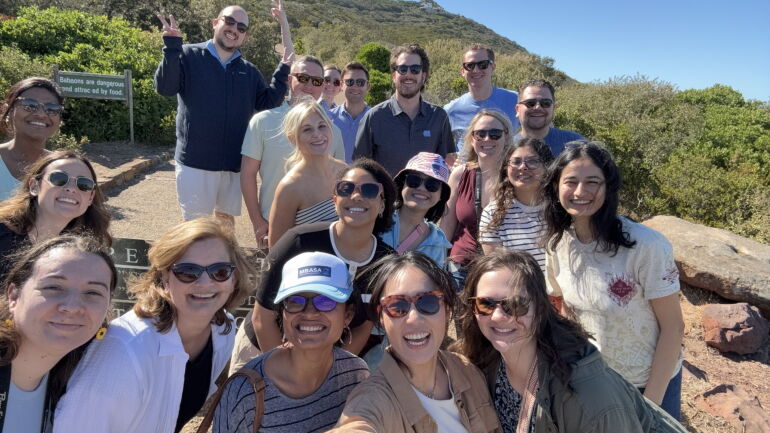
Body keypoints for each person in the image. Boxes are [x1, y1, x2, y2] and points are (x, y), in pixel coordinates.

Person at [53, 218, 253, 433]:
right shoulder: (123, 352)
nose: (205, 283)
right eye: (188, 272)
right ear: (163, 278)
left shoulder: (222, 332)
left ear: (234, 278)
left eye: (220, 271)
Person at [454, 251, 688, 433]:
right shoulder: (485, 362)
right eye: (485, 304)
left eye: (515, 305)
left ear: (540, 308)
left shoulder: (588, 396)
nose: (497, 316)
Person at [543, 141, 684, 419]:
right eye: (570, 181)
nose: (581, 192)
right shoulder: (556, 245)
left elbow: (673, 328)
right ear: (556, 187)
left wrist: (651, 408)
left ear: (608, 188)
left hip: (649, 383)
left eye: (593, 182)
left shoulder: (645, 246)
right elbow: (567, 311)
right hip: (595, 380)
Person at [232, 159, 396, 371]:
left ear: (382, 203)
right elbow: (262, 317)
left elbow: (364, 325)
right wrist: (287, 371)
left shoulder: (387, 263)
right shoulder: (299, 241)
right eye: (346, 188)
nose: (356, 196)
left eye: (369, 190)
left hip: (323, 367)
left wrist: (325, 374)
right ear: (334, 199)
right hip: (262, 349)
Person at [330, 252, 501, 433]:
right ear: (381, 318)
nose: (413, 318)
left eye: (428, 302)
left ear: (448, 310)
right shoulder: (372, 400)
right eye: (397, 306)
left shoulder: (467, 370)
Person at [154, 2, 294, 224]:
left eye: (241, 27)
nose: (234, 29)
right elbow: (165, 88)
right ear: (215, 23)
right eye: (229, 21)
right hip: (194, 164)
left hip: (232, 167)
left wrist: (282, 71)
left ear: (244, 36)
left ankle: (223, 260)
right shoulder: (188, 54)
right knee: (195, 229)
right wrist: (172, 47)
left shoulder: (248, 71)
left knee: (226, 226)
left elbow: (268, 103)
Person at [213, 252, 369, 433]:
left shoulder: (355, 375)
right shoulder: (243, 392)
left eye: (326, 301)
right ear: (281, 313)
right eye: (295, 301)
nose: (310, 313)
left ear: (347, 316)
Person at [0, 235, 116, 433]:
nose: (71, 307)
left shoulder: (75, 385)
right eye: (53, 287)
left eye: (93, 293)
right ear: (14, 295)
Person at [240, 55, 346, 247]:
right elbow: (247, 175)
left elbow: (339, 182)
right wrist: (258, 222)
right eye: (303, 78)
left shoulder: (332, 132)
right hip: (272, 228)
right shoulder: (262, 121)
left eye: (317, 81)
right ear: (290, 79)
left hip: (322, 233)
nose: (309, 86)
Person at [0, 150, 111, 280]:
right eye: (59, 178)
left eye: (83, 184)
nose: (72, 188)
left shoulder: (83, 253)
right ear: (34, 186)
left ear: (90, 197)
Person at [353, 44, 455, 176]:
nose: (408, 74)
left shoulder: (439, 117)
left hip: (425, 195)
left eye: (415, 69)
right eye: (402, 69)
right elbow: (360, 169)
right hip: (386, 196)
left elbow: (445, 166)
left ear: (423, 76)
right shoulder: (374, 117)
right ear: (394, 75)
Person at [440, 109, 512, 290]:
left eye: (495, 134)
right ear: (472, 139)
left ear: (506, 137)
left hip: (504, 270)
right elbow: (446, 226)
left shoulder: (515, 177)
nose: (487, 139)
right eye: (480, 134)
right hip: (460, 268)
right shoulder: (460, 174)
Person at [267, 101, 347, 247]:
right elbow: (276, 249)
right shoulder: (290, 187)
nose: (317, 134)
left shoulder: (345, 171)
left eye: (322, 126)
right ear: (292, 139)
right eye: (307, 130)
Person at [479, 138, 554, 271]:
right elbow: (498, 269)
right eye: (516, 162)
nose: (523, 167)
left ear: (547, 166)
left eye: (532, 161)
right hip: (518, 290)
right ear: (506, 169)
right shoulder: (492, 214)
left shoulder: (561, 208)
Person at [444, 44, 519, 158]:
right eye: (470, 65)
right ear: (462, 71)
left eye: (482, 65)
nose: (476, 70)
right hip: (467, 174)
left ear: (492, 67)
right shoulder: (451, 110)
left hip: (505, 173)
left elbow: (536, 131)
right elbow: (443, 148)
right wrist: (453, 165)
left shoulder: (516, 100)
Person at [380, 152, 451, 267]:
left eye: (432, 184)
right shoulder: (376, 219)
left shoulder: (437, 241)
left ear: (441, 195)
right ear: (402, 185)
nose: (421, 188)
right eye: (414, 180)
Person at [0, 77, 64, 201]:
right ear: (8, 110)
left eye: (52, 109)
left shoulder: (66, 168)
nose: (41, 114)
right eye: (29, 105)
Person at [513, 79, 584, 156]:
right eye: (530, 103)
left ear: (553, 108)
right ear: (517, 110)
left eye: (546, 103)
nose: (538, 107)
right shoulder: (505, 147)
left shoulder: (576, 144)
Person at [328, 62, 371, 163]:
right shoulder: (327, 118)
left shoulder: (377, 119)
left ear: (368, 86)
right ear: (342, 85)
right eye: (350, 82)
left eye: (360, 82)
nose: (355, 87)